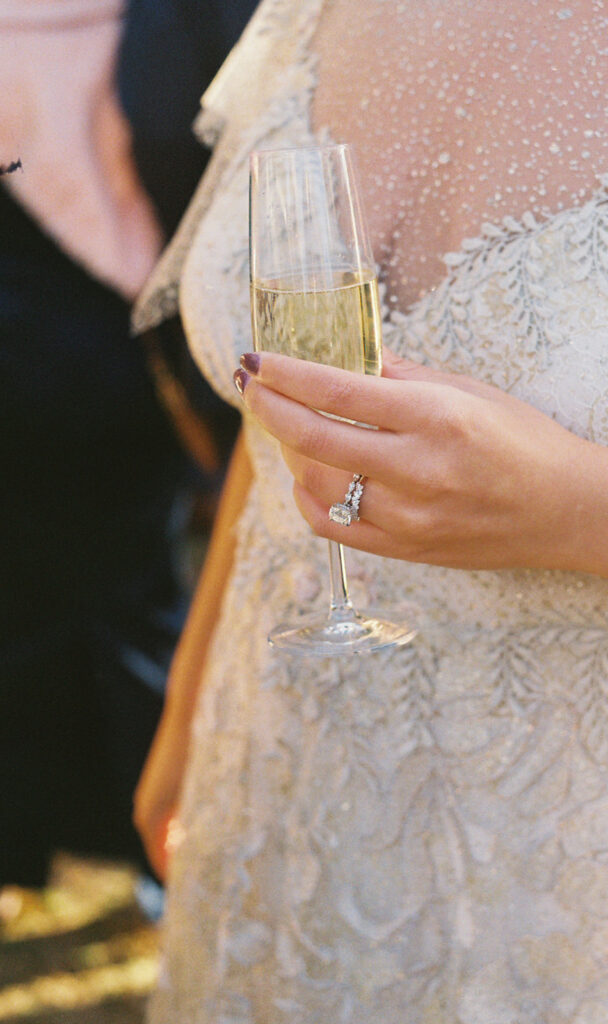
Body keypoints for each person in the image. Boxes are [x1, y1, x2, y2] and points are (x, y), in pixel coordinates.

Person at [133, 0, 608, 1020]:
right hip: (277, 816)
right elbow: (287, 431)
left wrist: (587, 509)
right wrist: (190, 693)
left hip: (588, 910)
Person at [0, 0, 256, 890]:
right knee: (55, 606)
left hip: (110, 356)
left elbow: (184, 150)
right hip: (82, 348)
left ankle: (154, 842)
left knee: (124, 598)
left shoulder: (173, 22)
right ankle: (65, 840)